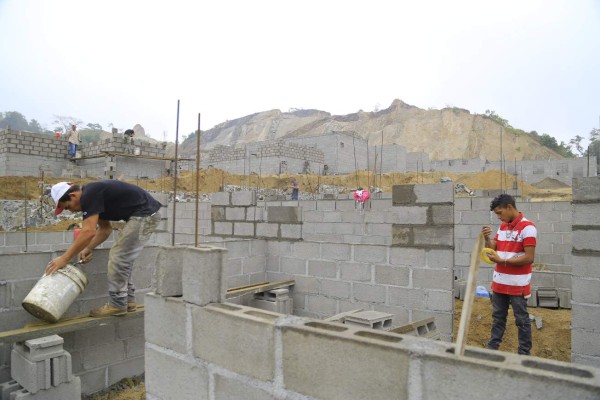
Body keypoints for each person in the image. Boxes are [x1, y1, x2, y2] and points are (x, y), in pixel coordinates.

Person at [45, 180, 162, 317]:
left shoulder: (89, 195)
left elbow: (88, 231)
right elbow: (105, 229)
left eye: (67, 207)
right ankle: (128, 300)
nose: (70, 211)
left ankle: (118, 304)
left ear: (73, 196)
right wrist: (87, 248)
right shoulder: (94, 197)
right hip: (144, 214)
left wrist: (64, 259)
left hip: (145, 214)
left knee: (119, 256)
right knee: (122, 257)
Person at [481, 194, 537, 355]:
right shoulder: (503, 227)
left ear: (509, 207)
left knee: (521, 320)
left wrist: (502, 260)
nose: (498, 217)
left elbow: (529, 257)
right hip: (499, 284)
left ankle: (524, 354)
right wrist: (487, 238)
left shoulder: (528, 228)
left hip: (517, 286)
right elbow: (494, 247)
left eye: (500, 213)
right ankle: (492, 350)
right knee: (498, 318)